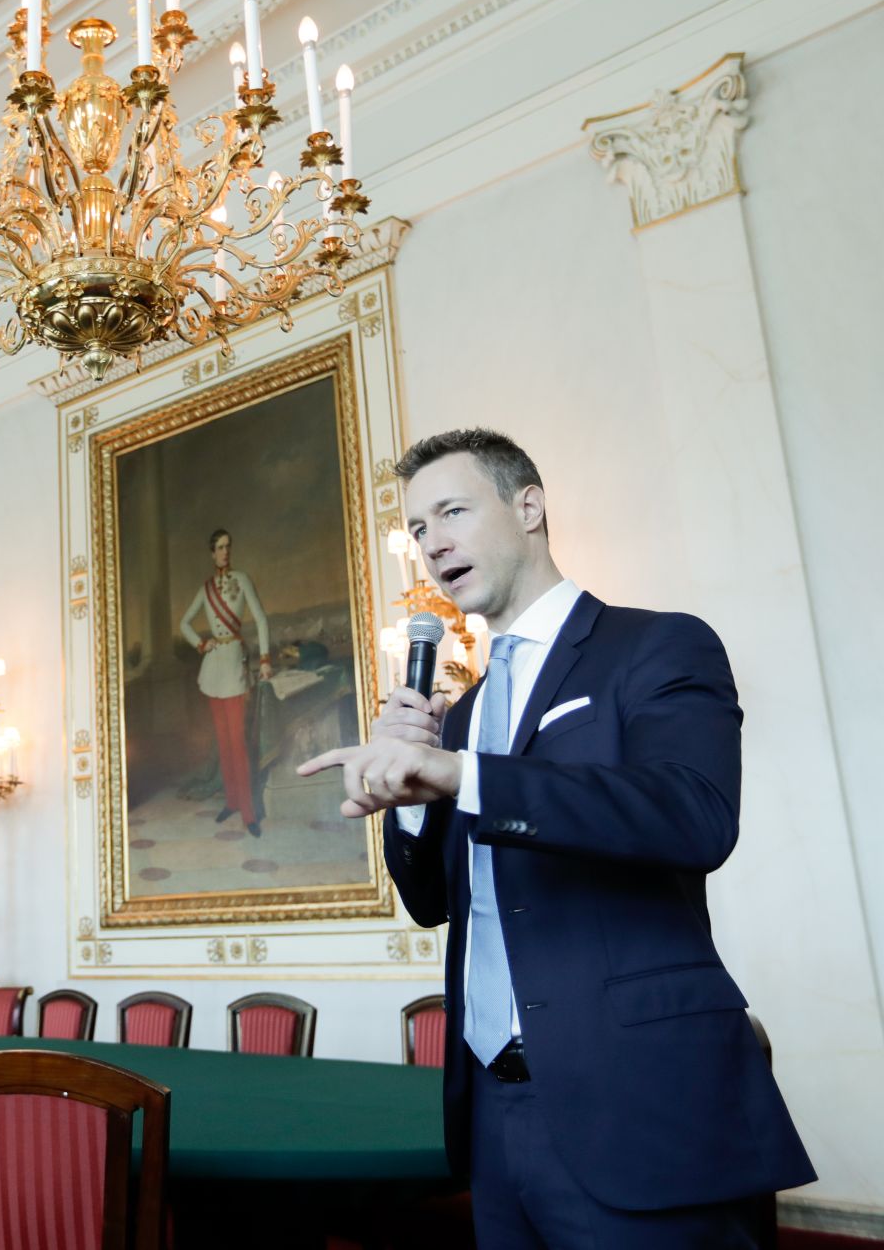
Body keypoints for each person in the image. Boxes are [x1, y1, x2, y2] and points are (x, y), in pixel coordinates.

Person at [298, 428, 812, 1247]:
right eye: (418, 529)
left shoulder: (656, 644)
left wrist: (461, 777)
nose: (432, 544)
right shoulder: (459, 716)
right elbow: (433, 903)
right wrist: (410, 792)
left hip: (637, 1107)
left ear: (529, 507)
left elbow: (694, 815)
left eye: (452, 511)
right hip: (496, 1115)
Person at [179, 528, 273, 835]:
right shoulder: (206, 589)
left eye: (227, 546)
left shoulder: (241, 580)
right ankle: (232, 801)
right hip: (213, 666)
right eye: (219, 547)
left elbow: (260, 619)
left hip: (233, 663)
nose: (225, 552)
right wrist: (200, 643)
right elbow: (185, 623)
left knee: (238, 743)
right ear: (212, 552)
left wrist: (265, 659)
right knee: (223, 742)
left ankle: (248, 812)